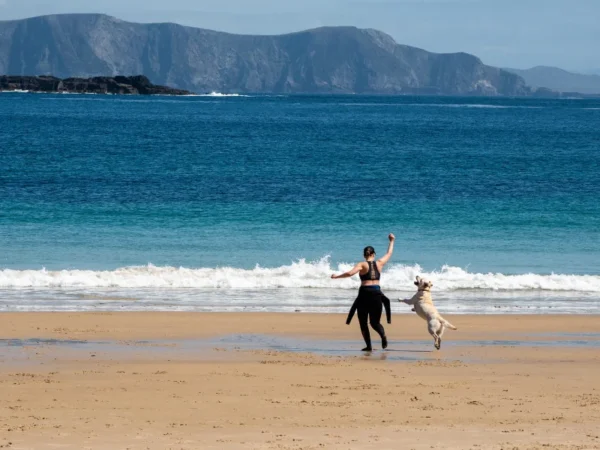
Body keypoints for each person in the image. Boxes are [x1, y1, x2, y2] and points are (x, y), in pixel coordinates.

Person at [331, 234, 395, 351]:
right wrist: (391, 241)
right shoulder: (379, 263)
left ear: (364, 255)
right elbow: (389, 253)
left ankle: (369, 346)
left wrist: (336, 276)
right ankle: (383, 335)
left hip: (364, 295)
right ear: (373, 254)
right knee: (375, 322)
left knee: (363, 322)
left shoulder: (361, 264)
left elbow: (350, 273)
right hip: (376, 294)